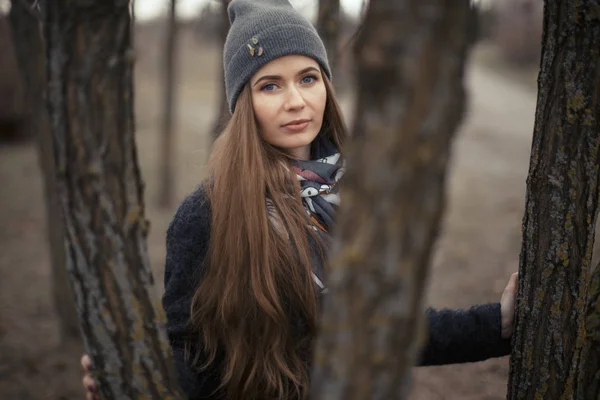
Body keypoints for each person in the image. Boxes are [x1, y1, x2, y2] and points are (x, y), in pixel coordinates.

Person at [81, 0, 518, 399]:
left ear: (326, 85)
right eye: (270, 86)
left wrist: (496, 325)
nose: (296, 102)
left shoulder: (360, 197)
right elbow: (190, 357)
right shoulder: (207, 215)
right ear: (243, 103)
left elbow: (384, 330)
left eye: (307, 78)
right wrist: (129, 378)